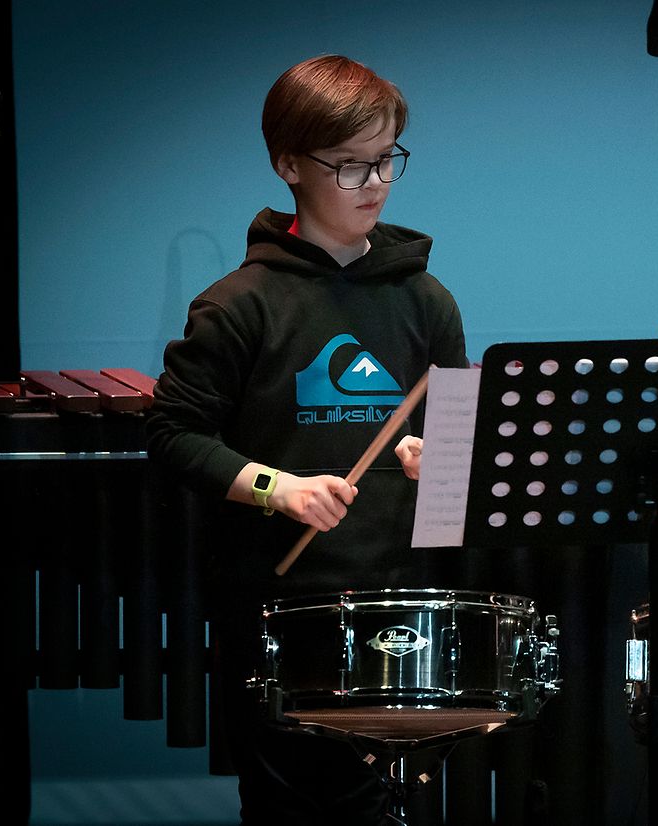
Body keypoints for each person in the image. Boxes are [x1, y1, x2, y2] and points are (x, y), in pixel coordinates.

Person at [146, 54, 469, 825]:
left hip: (403, 604)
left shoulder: (427, 300)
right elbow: (171, 434)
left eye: (387, 159)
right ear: (288, 163)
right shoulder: (238, 306)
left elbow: (457, 444)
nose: (376, 183)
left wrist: (442, 459)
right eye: (350, 166)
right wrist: (275, 487)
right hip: (281, 613)